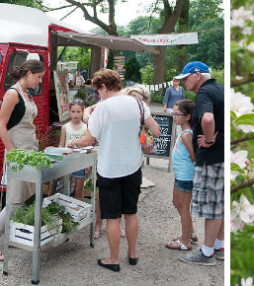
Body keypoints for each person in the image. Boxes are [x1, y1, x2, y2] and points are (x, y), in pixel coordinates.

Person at [67, 69, 160, 272]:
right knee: (131, 213)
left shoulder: (103, 108)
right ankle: (132, 254)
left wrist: (73, 142)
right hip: (133, 167)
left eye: (98, 91)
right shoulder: (138, 103)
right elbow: (156, 131)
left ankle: (114, 259)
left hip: (110, 169)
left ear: (103, 87)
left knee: (113, 217)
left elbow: (88, 140)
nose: (98, 95)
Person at [174, 61, 224, 265]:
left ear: (197, 74)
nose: (184, 82)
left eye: (186, 78)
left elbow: (209, 119)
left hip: (211, 159)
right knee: (220, 205)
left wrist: (210, 139)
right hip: (222, 156)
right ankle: (220, 247)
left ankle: (207, 253)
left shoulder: (204, 92)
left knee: (211, 207)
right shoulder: (220, 89)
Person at [92, 84, 152, 240]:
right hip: (110, 163)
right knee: (103, 196)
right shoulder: (110, 105)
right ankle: (99, 223)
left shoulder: (140, 117)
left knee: (122, 206)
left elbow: (148, 144)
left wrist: (144, 138)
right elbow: (95, 110)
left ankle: (116, 225)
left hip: (127, 167)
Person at [0, 59, 46, 261]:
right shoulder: (13, 93)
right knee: (14, 203)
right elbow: (1, 124)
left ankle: (13, 237)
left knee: (25, 198)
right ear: (28, 73)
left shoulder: (27, 94)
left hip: (30, 152)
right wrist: (12, 152)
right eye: (38, 77)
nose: (40, 81)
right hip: (19, 154)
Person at [165, 99, 198, 251]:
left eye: (178, 114)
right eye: (174, 113)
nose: (175, 117)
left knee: (184, 207)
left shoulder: (187, 135)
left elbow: (194, 157)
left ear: (188, 116)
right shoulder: (182, 132)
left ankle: (185, 241)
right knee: (176, 202)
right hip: (180, 175)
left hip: (186, 176)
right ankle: (190, 232)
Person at [58, 99, 88, 201]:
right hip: (67, 162)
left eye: (78, 112)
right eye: (73, 111)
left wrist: (88, 164)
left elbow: (88, 146)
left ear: (83, 112)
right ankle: (65, 213)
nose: (75, 114)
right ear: (69, 112)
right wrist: (62, 150)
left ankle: (80, 213)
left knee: (78, 191)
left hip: (80, 163)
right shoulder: (65, 127)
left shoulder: (86, 128)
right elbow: (61, 144)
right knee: (65, 190)